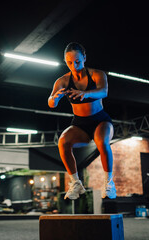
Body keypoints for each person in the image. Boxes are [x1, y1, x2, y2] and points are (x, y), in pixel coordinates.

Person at [48, 42, 116, 200]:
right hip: (80, 124)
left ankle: (109, 183)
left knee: (101, 141)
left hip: (100, 120)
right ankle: (76, 183)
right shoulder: (63, 80)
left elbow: (104, 92)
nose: (74, 66)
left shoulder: (96, 74)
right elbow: (51, 102)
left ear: (84, 58)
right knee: (63, 142)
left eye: (77, 61)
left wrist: (86, 94)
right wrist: (55, 98)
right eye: (69, 63)